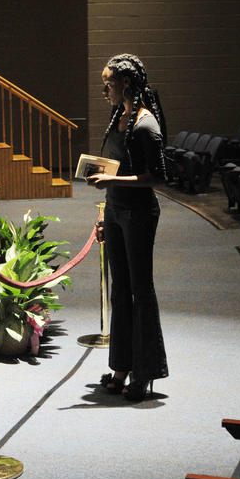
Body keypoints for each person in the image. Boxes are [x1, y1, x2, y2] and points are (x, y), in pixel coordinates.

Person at [86, 53, 168, 402]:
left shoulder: (147, 125)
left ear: (126, 84)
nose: (105, 90)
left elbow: (158, 177)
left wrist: (112, 178)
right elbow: (115, 167)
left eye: (109, 83)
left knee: (139, 291)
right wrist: (105, 212)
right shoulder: (118, 116)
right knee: (119, 291)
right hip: (118, 211)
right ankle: (120, 366)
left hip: (138, 214)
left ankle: (144, 373)